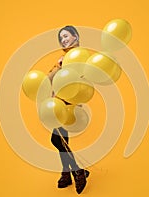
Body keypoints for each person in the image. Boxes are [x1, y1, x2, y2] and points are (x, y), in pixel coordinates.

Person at [48, 25, 89, 194]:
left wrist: (62, 66)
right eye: (61, 38)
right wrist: (59, 66)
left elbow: (80, 78)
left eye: (66, 36)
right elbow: (49, 78)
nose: (63, 40)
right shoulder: (64, 58)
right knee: (61, 139)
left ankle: (77, 171)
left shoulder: (78, 57)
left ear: (75, 36)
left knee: (57, 139)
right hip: (59, 100)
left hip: (69, 101)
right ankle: (67, 174)